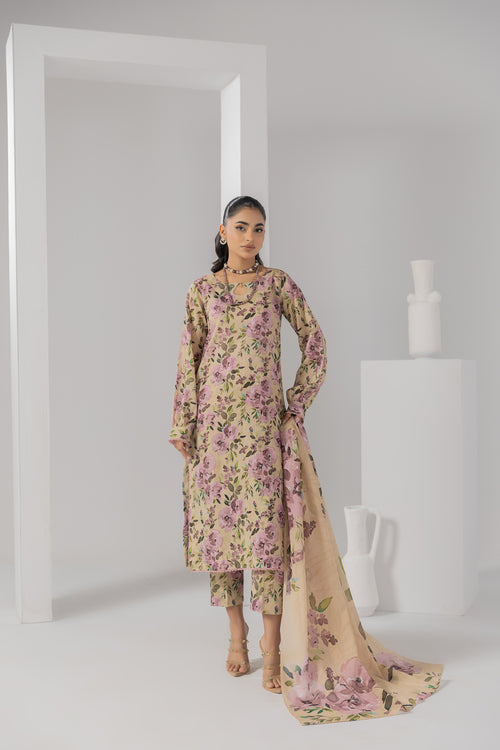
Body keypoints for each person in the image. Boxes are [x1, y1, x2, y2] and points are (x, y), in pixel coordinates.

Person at [169, 195, 327, 694]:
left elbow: (315, 342)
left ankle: (272, 645)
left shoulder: (277, 284)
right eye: (241, 227)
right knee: (223, 537)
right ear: (223, 232)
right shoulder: (201, 291)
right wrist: (184, 425)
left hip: (262, 434)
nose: (250, 237)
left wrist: (296, 404)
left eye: (259, 228)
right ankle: (236, 636)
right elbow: (189, 359)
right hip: (214, 434)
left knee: (266, 539)